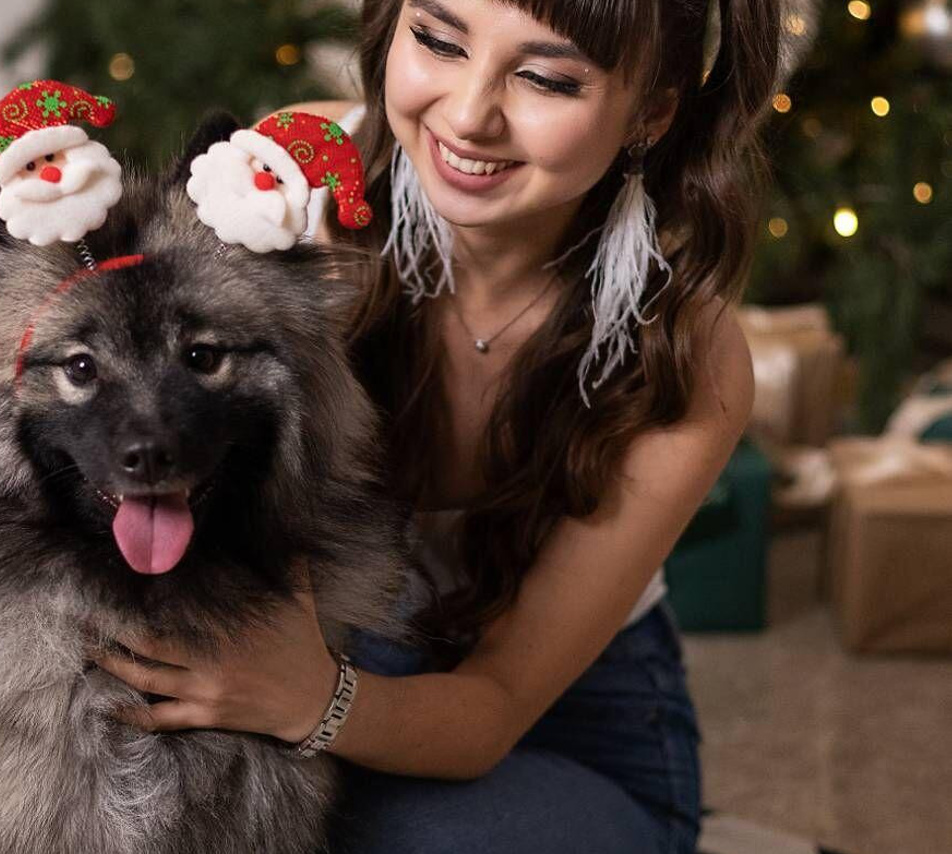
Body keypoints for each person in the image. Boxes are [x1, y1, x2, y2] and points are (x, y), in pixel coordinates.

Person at [94, 0, 782, 850]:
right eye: (438, 40)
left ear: (651, 112)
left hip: (564, 730)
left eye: (545, 78)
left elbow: (491, 712)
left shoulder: (684, 353)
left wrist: (310, 697)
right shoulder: (290, 180)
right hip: (325, 641)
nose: (467, 116)